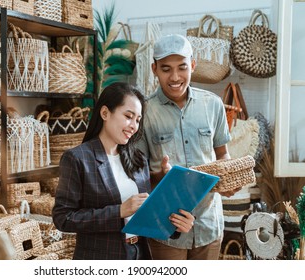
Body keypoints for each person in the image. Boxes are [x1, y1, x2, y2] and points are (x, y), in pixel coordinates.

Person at [52, 82, 193, 260]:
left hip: (139, 255)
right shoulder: (77, 159)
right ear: (105, 113)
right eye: (128, 116)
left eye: (138, 119)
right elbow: (63, 218)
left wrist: (175, 225)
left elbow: (146, 215)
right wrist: (118, 211)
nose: (134, 126)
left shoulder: (138, 159)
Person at [137, 34, 236, 260]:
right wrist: (160, 176)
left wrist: (228, 177)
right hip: (165, 227)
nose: (175, 77)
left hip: (208, 223)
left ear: (192, 65)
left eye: (182, 67)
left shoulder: (213, 104)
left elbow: (223, 154)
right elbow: (137, 175)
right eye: (166, 69)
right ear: (154, 69)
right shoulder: (144, 112)